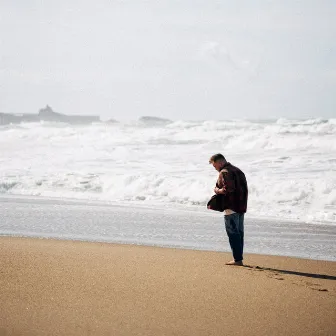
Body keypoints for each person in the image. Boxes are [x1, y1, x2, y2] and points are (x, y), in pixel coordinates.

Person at [208, 153, 248, 266]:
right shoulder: (238, 170)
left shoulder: (225, 172)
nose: (215, 168)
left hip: (231, 207)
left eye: (215, 166)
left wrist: (216, 190)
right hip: (241, 206)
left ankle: (237, 260)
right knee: (239, 233)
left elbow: (227, 189)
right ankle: (238, 258)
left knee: (233, 234)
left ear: (220, 162)